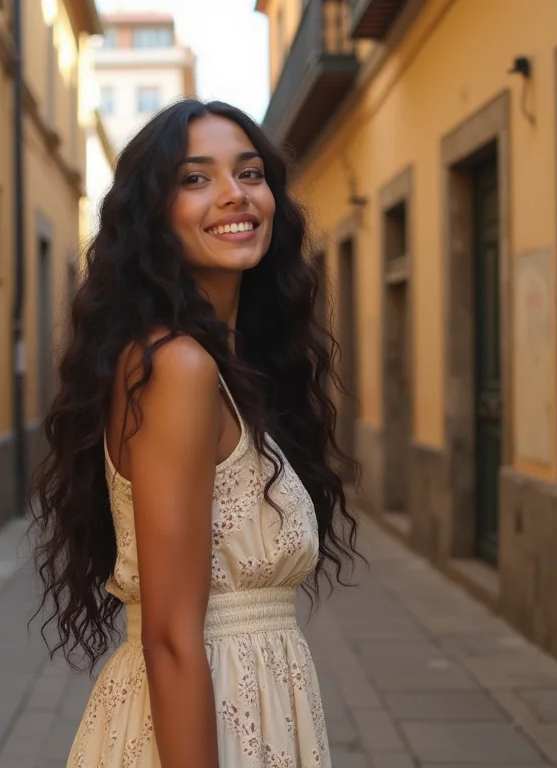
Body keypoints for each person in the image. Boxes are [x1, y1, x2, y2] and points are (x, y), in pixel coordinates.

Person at [30, 98, 361, 768]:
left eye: (249, 173)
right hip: (199, 724)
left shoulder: (221, 366)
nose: (233, 195)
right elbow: (172, 636)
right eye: (195, 179)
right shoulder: (177, 367)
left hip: (247, 711)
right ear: (152, 215)